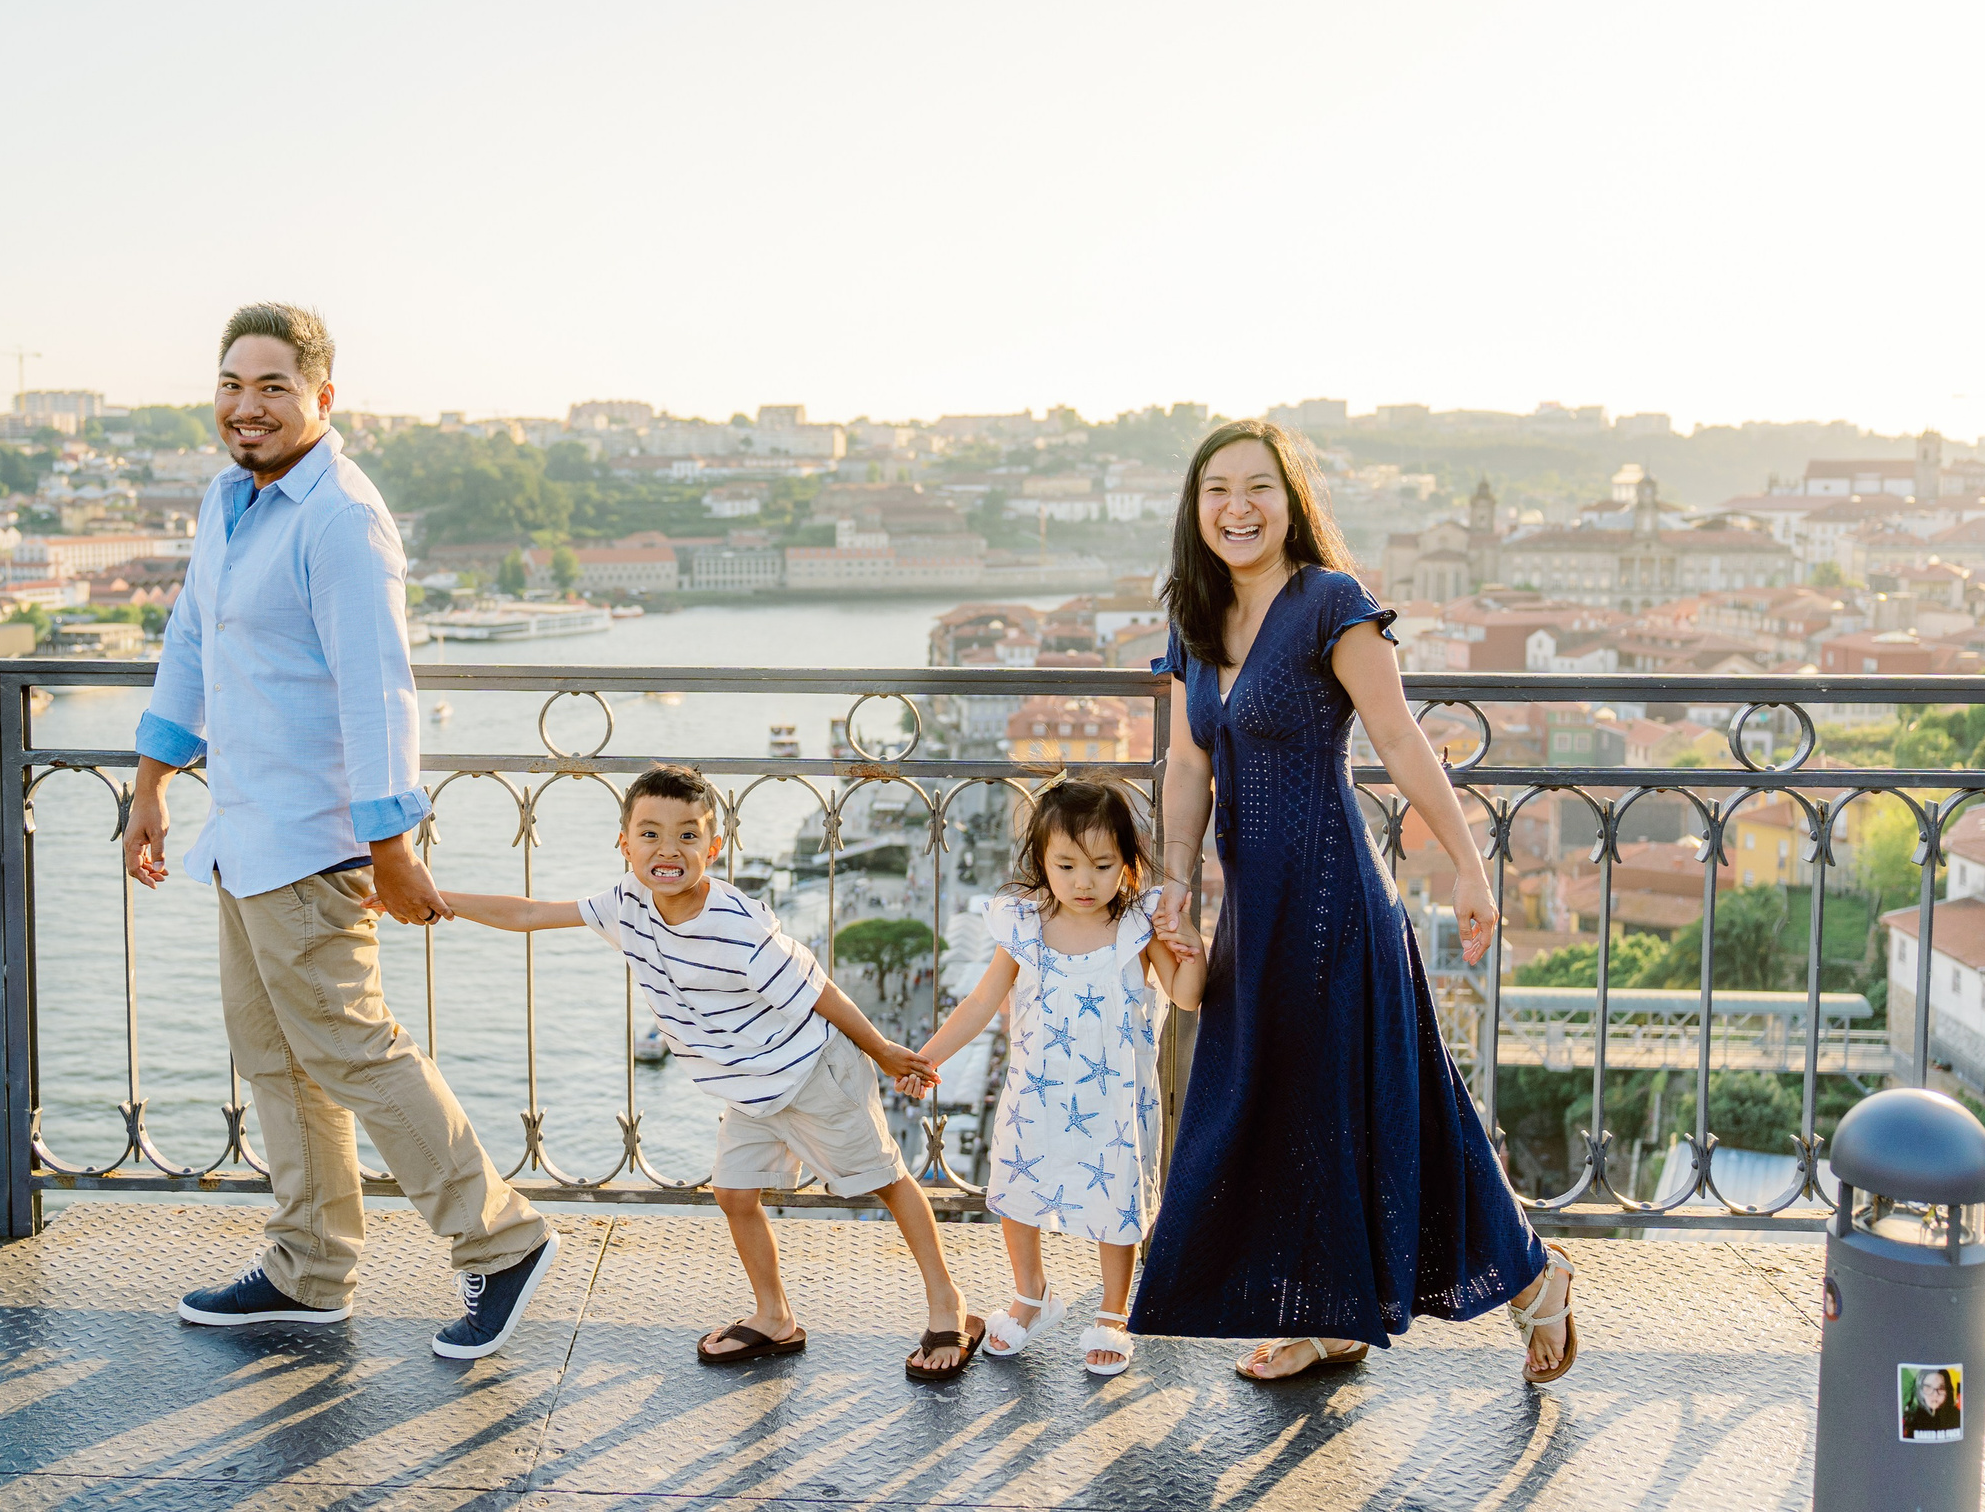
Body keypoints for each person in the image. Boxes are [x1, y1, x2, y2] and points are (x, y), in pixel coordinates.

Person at [123, 302, 559, 1361]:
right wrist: (151, 783)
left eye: (273, 386)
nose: (247, 406)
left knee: (355, 1050)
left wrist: (391, 846)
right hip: (244, 832)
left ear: (322, 396)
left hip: (315, 840)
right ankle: (308, 1268)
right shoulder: (227, 500)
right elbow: (190, 642)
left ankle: (500, 1240)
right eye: (232, 384)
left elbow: (378, 692)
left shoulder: (342, 519)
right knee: (275, 1058)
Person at [1125, 419, 1579, 1386]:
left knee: (1383, 1105)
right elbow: (1189, 765)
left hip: (1336, 907)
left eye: (1259, 487)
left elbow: (1400, 739)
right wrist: (1177, 885)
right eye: (1217, 490)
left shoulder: (1331, 603)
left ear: (1292, 503)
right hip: (1255, 917)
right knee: (1283, 1112)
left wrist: (1469, 866)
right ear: (1195, 508)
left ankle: (1531, 1275)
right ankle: (1332, 1315)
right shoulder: (1195, 619)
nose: (1238, 508)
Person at [432, 764, 987, 1380]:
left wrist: (881, 1050)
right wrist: (438, 899)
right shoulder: (625, 903)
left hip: (810, 1073)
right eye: (650, 834)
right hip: (748, 1089)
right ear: (624, 843)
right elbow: (531, 913)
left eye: (687, 836)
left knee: (886, 1180)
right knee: (734, 1194)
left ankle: (948, 1304)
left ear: (714, 847)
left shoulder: (736, 925)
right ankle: (774, 1316)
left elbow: (818, 990)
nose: (668, 850)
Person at [915, 777, 1205, 1376]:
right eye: (1066, 865)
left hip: (1116, 1103)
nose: (1083, 882)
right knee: (1017, 1191)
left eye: (1102, 865)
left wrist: (1193, 951)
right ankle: (1031, 1293)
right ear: (1041, 862)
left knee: (1115, 1200)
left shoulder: (1137, 925)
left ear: (1127, 864)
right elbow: (981, 1001)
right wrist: (929, 1056)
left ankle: (1113, 1311)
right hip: (1036, 1096)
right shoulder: (1023, 924)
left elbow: (1185, 996)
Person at [1904, 1366, 1963, 1439]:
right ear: (1919, 1390)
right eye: (1928, 1387)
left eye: (1941, 1388)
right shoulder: (1909, 1419)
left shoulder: (1958, 1417)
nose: (1935, 1394)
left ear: (1948, 1391)